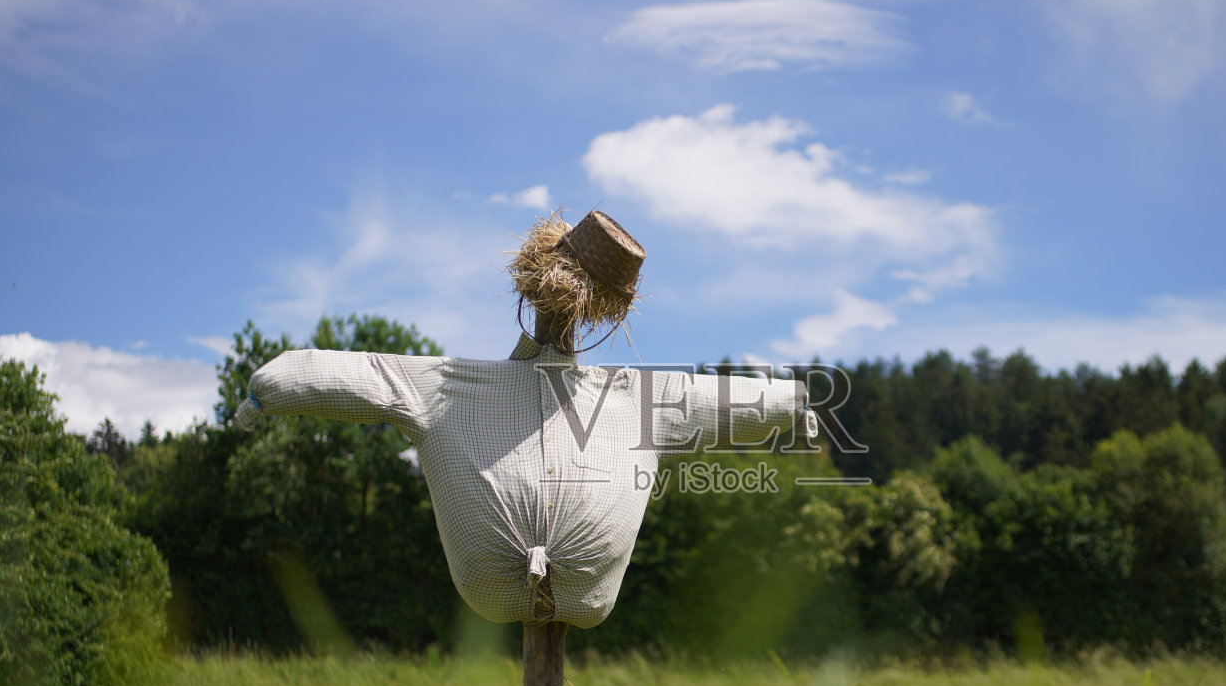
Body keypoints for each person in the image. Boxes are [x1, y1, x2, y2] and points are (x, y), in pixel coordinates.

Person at [236, 209, 815, 629]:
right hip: (546, 585)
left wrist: (790, 405)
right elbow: (359, 377)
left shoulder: (627, 398)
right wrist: (267, 390)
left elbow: (715, 401)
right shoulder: (452, 386)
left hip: (545, 586)